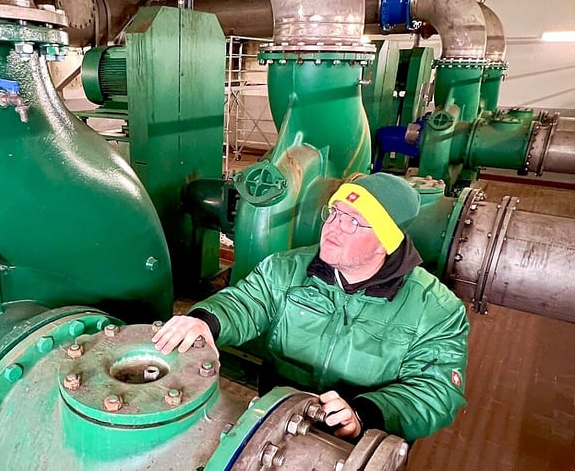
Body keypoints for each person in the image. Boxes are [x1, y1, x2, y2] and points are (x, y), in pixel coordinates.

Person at [152, 172, 469, 442]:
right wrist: (206, 321)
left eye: (352, 222)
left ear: (386, 241)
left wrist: (366, 413)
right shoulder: (287, 269)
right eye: (334, 213)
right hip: (276, 420)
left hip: (358, 440)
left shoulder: (437, 311)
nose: (332, 228)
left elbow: (437, 389)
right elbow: (246, 302)